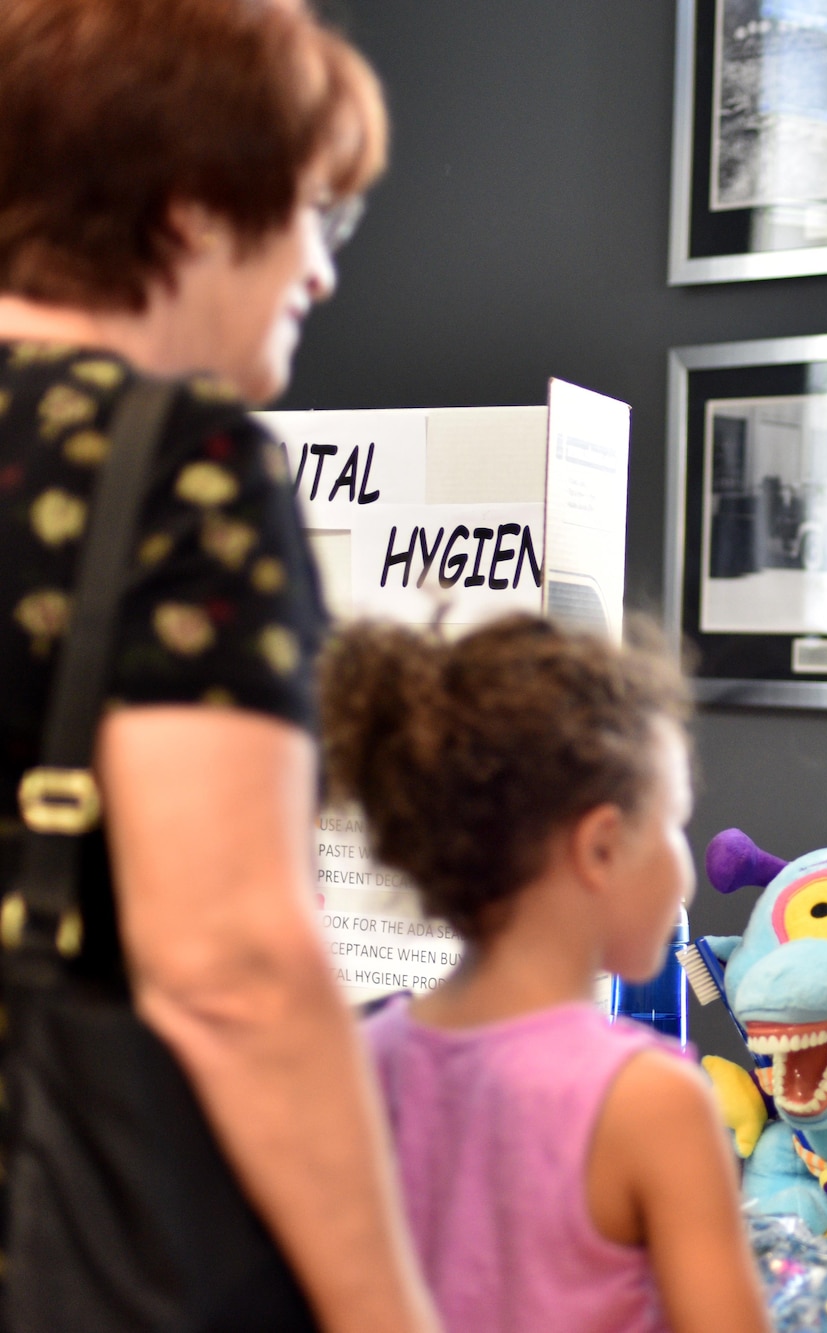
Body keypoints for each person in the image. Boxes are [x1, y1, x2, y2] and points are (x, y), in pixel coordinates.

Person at [0, 1, 435, 1327]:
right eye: (314, 210)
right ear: (192, 206)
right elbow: (230, 958)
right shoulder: (175, 466)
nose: (320, 272)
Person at [322, 616, 769, 1333]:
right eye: (673, 825)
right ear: (599, 847)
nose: (683, 870)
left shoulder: (363, 1063)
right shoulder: (654, 1102)